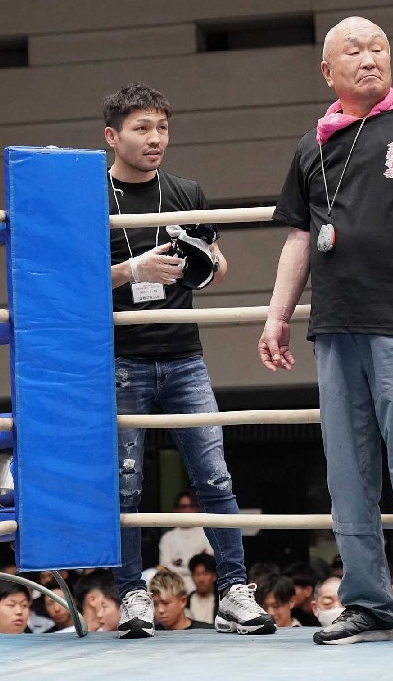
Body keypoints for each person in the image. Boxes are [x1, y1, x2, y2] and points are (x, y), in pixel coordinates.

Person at [259, 16, 393, 650]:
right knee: (347, 474)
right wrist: (277, 315)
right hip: (334, 328)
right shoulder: (311, 145)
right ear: (328, 71)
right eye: (353, 51)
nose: (369, 58)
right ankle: (367, 604)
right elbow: (299, 238)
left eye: (378, 47)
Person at [104, 83, 274, 640]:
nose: (155, 139)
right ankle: (132, 595)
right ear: (112, 137)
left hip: (184, 356)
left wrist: (205, 262)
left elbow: (217, 266)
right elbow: (68, 283)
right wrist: (133, 271)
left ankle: (234, 592)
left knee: (215, 477)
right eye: (142, 128)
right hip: (121, 359)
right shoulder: (91, 198)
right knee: (125, 485)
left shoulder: (185, 191)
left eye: (162, 128)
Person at [158, 492, 213, 593]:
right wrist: (192, 567)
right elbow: (164, 567)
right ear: (176, 510)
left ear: (197, 509)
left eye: (191, 506)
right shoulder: (168, 538)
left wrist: (178, 565)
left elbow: (209, 564)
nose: (187, 510)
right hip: (173, 584)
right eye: (183, 506)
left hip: (199, 583)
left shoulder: (207, 534)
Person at [148, 569, 214, 631]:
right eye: (155, 604)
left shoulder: (207, 632)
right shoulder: (151, 633)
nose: (160, 610)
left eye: (166, 603)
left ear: (183, 601)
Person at [186, 554, 218, 625]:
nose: (201, 579)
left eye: (206, 574)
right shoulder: (185, 602)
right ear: (192, 577)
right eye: (197, 574)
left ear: (214, 576)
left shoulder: (222, 602)